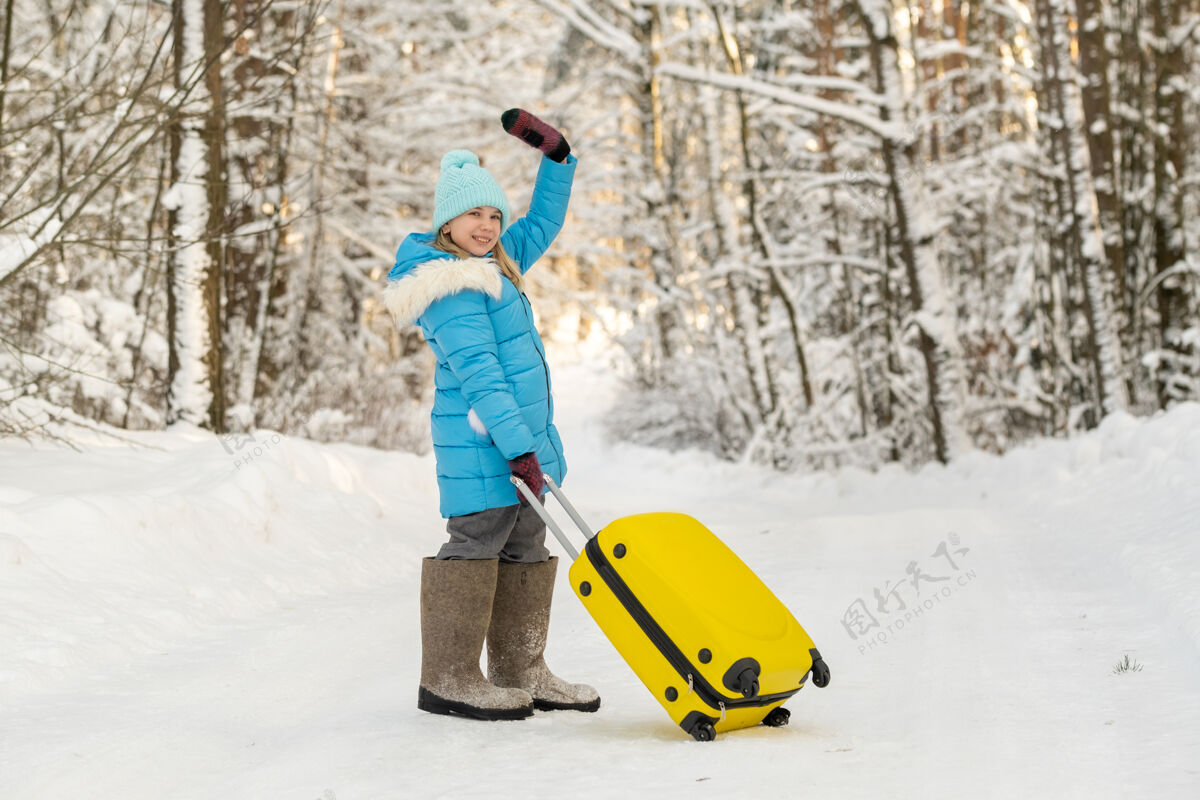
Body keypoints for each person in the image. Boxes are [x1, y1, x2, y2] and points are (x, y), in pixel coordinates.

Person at [382, 110, 599, 721]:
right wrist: (518, 449)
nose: (487, 225)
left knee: (527, 543)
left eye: (493, 215)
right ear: (446, 222)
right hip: (485, 445)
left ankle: (520, 669)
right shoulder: (449, 285)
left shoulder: (496, 264)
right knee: (476, 542)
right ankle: (448, 678)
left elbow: (545, 223)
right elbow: (482, 377)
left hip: (515, 442)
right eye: (474, 214)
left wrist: (558, 159)